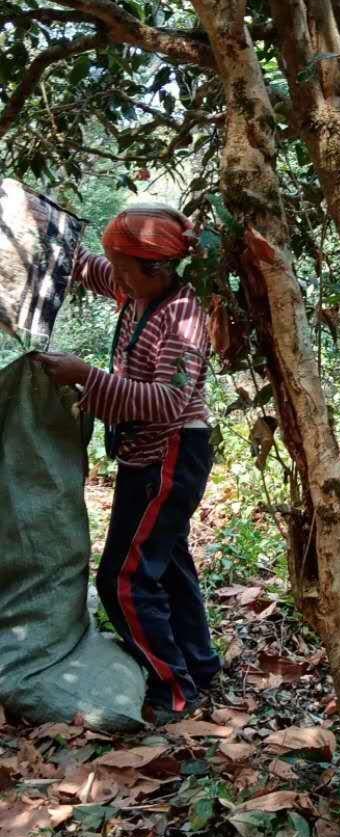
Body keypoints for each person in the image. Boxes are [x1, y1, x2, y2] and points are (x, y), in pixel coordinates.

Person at [35, 202, 220, 724]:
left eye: (123, 271)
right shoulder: (138, 286)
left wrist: (84, 376)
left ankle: (174, 689)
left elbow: (166, 402)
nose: (113, 279)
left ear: (156, 268)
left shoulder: (183, 316)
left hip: (172, 453)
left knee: (123, 580)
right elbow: (87, 266)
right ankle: (200, 665)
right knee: (168, 562)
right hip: (148, 454)